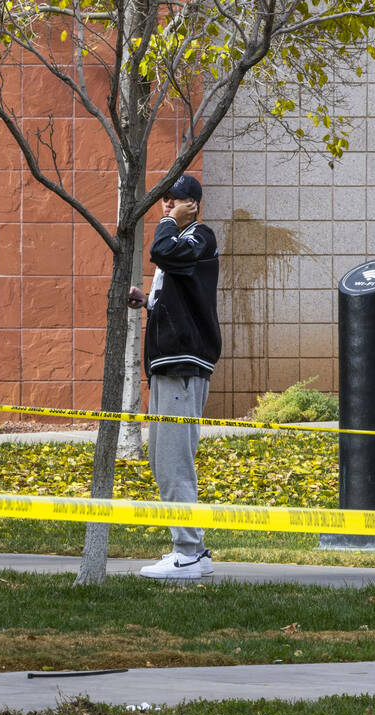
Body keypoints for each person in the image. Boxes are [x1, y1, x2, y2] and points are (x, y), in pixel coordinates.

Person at [127, 173, 221, 579]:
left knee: (174, 459)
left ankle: (190, 553)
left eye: (175, 200)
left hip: (185, 365)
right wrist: (149, 301)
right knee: (161, 459)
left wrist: (167, 223)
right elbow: (182, 294)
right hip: (169, 363)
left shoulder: (200, 237)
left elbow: (162, 250)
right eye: (164, 201)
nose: (166, 206)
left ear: (193, 205)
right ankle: (187, 548)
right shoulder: (182, 246)